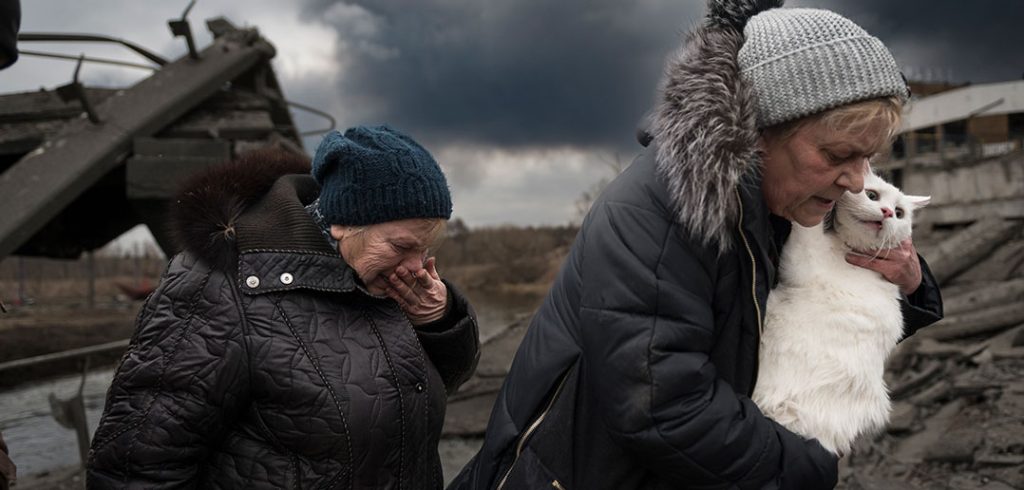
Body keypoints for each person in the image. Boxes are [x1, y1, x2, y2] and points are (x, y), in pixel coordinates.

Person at [450, 1, 942, 489]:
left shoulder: (788, 202)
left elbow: (828, 311)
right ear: (762, 131)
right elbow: (663, 407)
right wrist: (808, 466)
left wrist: (913, 286)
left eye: (867, 159)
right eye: (838, 154)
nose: (857, 182)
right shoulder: (658, 214)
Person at [88, 126, 480, 488]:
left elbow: (425, 391)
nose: (417, 267)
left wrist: (439, 323)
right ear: (343, 223)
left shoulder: (382, 280)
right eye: (400, 247)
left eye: (426, 249)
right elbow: (135, 468)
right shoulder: (218, 285)